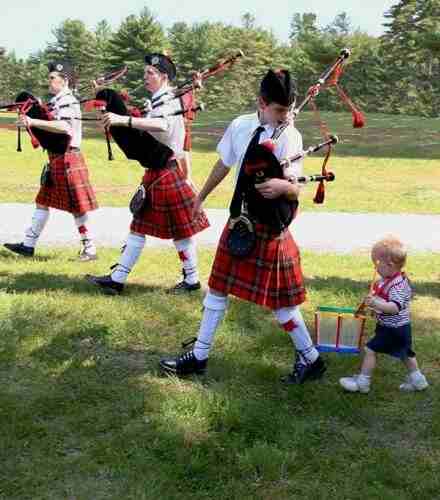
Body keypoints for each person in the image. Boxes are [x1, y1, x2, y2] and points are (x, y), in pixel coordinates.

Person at [159, 69, 327, 384]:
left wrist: (280, 186)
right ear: (261, 103)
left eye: (288, 110)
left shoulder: (290, 135)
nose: (284, 117)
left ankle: (312, 358)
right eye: (279, 111)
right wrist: (201, 196)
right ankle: (199, 356)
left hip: (268, 224)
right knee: (217, 290)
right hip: (241, 220)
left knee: (282, 305)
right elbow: (224, 162)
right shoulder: (241, 125)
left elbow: (296, 189)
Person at [85, 53, 209, 295]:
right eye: (145, 73)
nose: (145, 77)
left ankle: (190, 279)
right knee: (140, 226)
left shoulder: (170, 101)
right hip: (160, 171)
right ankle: (118, 278)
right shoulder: (161, 100)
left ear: (163, 77)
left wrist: (124, 120)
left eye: (150, 73)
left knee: (176, 231)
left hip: (165, 172)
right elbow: (179, 141)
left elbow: (163, 126)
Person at [3, 60, 98, 261]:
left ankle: (90, 248)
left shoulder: (69, 101)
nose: (49, 81)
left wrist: (33, 121)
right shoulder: (58, 101)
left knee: (76, 207)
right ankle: (28, 245)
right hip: (56, 158)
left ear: (64, 80)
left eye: (52, 78)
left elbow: (64, 127)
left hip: (67, 158)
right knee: (42, 201)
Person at [340, 236, 429, 393]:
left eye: (376, 265)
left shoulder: (398, 285)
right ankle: (419, 381)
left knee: (370, 350)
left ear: (389, 265)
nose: (375, 269)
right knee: (405, 354)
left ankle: (362, 382)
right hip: (396, 327)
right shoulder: (388, 279)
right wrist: (372, 304)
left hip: (393, 328)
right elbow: (383, 300)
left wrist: (376, 303)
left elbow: (394, 307)